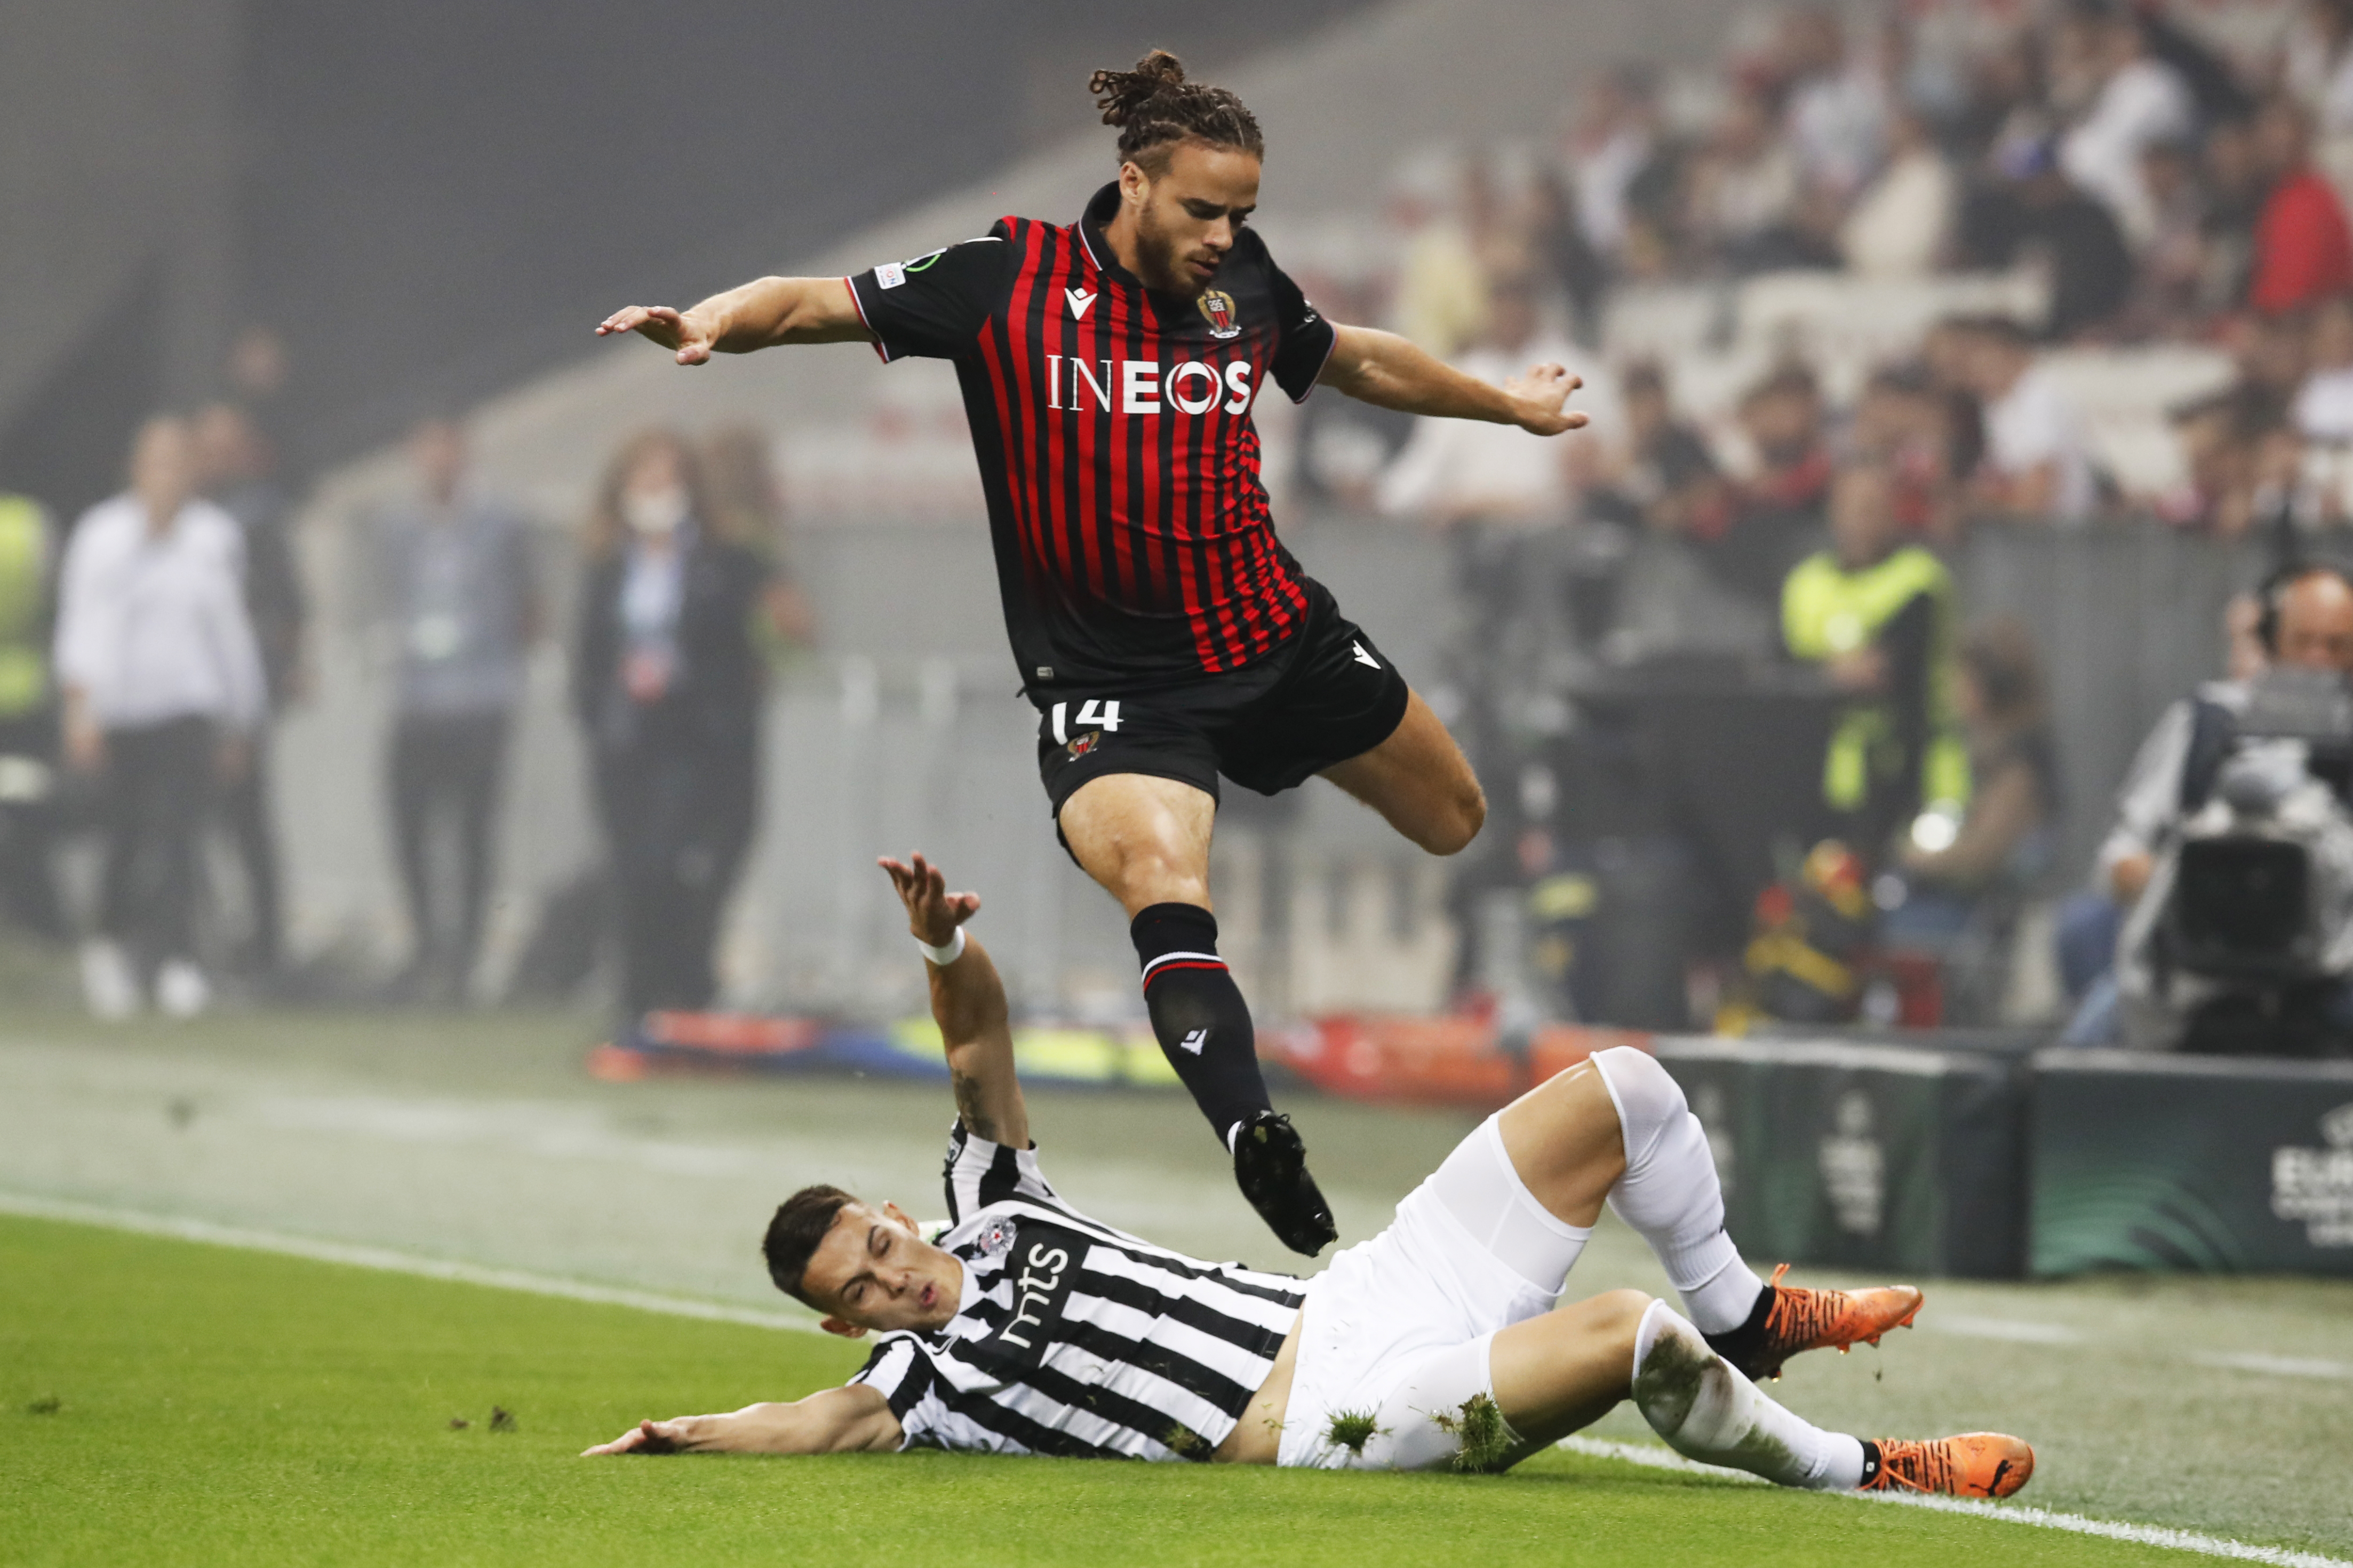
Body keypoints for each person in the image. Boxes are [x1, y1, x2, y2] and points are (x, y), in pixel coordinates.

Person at [597, 51, 1589, 1256]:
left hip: (1279, 636)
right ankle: (1249, 1132)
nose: (1225, 235)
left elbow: (1358, 358)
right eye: (1202, 209)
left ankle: (1243, 1100)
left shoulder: (1245, 290)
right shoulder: (1006, 280)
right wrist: (709, 322)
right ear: (1134, 181)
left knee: (1455, 818)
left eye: (1242, 214)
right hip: (1116, 694)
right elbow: (807, 300)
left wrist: (1509, 406)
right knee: (1167, 889)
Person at [584, 852, 2033, 1500]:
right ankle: (1870, 1469)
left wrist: (945, 946)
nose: (890, 1270)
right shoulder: (921, 1389)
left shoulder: (993, 1199)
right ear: (854, 1322)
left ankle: (1749, 1312)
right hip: (1338, 1415)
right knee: (1625, 1337)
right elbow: (812, 1429)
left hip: (1354, 1298)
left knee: (1625, 1090)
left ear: (892, 1213)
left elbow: (977, 1049)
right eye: (862, 1289)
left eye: (873, 1240)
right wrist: (684, 1435)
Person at [2057, 562, 2353, 1047]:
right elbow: (2116, 858)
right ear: (2272, 640)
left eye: (2337, 646)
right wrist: (2190, 889)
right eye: (2304, 641)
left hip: (2333, 987)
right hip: (2193, 986)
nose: (2318, 661)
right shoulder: (2206, 727)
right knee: (2081, 1057)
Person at [53, 417, 266, 1019]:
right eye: (157, 461)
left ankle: (174, 961)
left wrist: (240, 715)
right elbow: (82, 628)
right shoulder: (103, 535)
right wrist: (81, 712)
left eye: (178, 461)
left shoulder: (213, 537)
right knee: (124, 839)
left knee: (179, 840)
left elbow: (228, 632)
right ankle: (107, 946)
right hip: (122, 711)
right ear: (137, 467)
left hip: (187, 707)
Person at [573, 429, 772, 1020]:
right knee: (633, 869)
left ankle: (686, 992)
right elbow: (589, 652)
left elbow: (744, 649)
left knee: (677, 869)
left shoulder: (722, 560)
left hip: (693, 741)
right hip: (627, 739)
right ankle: (636, 999)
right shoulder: (610, 563)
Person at [370, 418, 539, 1004]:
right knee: (410, 826)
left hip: (480, 696)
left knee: (473, 833)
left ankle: (465, 957)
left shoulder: (499, 524)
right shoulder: (399, 526)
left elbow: (526, 604)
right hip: (418, 697)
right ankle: (425, 946)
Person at [1781, 461, 1969, 865]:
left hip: (1904, 773)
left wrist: (1818, 670)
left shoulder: (1917, 580)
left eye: (1870, 508)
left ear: (1892, 512)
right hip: (1818, 776)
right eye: (1849, 508)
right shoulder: (1804, 584)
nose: (1858, 522)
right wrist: (1827, 672)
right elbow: (1776, 668)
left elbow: (1883, 669)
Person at [194, 401, 305, 977]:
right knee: (191, 826)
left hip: (242, 687)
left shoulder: (257, 513)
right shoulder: (185, 514)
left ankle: (266, 949)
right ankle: (202, 946)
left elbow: (286, 602)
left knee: (247, 820)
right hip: (188, 687)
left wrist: (282, 673)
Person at [1877, 619, 2058, 954]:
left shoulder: (2018, 766)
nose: (1951, 689)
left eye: (1960, 678)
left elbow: (1981, 857)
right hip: (1964, 907)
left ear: (1987, 687)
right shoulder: (1986, 751)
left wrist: (1912, 859)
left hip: (1977, 922)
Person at [1959, 315, 2099, 525]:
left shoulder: (2041, 397)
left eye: (1979, 353)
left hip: (2059, 534)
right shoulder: (1996, 406)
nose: (1971, 365)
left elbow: (2040, 486)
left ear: (2013, 352)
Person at [0, 485, 62, 939]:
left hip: (22, 696)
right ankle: (37, 921)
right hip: (28, 692)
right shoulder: (32, 523)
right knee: (26, 817)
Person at [2249, 96, 2353, 316]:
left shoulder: (2313, 200)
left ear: (2303, 135)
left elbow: (2293, 298)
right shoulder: (2278, 195)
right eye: (2267, 128)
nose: (2272, 139)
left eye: (2281, 128)